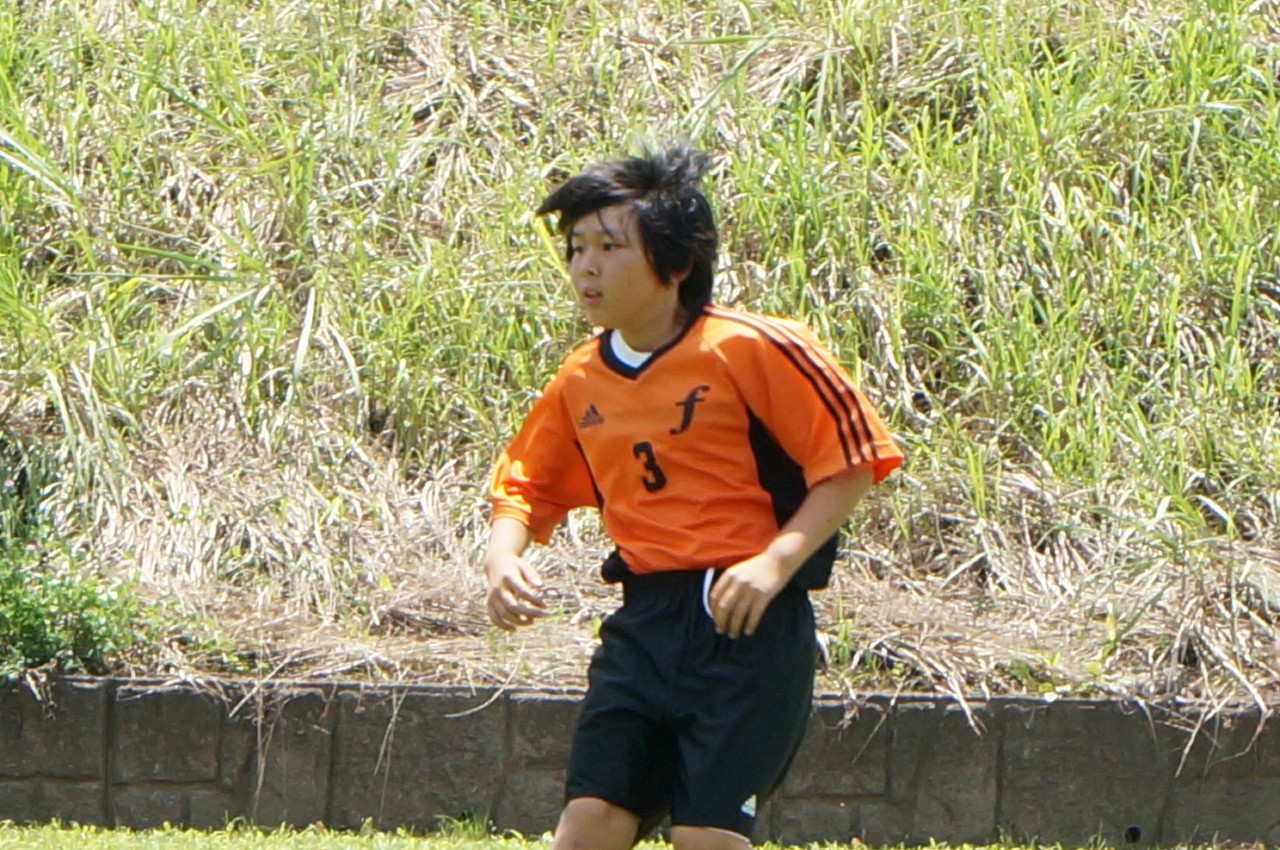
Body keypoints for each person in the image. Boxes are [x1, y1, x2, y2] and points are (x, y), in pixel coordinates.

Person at [482, 144, 903, 850]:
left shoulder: (752, 347)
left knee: (704, 836)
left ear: (676, 263)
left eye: (609, 247)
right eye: (576, 247)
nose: (585, 266)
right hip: (644, 623)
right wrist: (503, 558)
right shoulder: (581, 377)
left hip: (748, 628)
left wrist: (774, 563)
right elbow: (524, 483)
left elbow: (855, 459)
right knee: (587, 827)